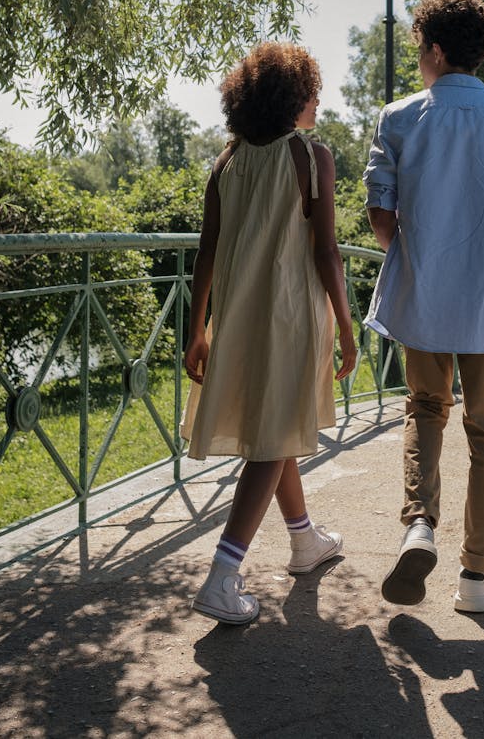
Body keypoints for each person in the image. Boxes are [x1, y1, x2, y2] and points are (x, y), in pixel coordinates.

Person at [363, 0, 484, 614]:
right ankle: (477, 576)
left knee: (424, 408)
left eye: (420, 49)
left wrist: (419, 259)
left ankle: (419, 522)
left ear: (437, 50)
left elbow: (381, 215)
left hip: (424, 298)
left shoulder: (398, 118)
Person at [182, 42, 357, 625]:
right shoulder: (312, 158)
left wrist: (197, 329)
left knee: (273, 426)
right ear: (294, 99)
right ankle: (222, 575)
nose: (317, 103)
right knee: (275, 435)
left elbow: (206, 252)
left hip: (236, 317)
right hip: (291, 316)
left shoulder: (226, 160)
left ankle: (305, 540)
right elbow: (327, 251)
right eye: (313, 92)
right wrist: (349, 329)